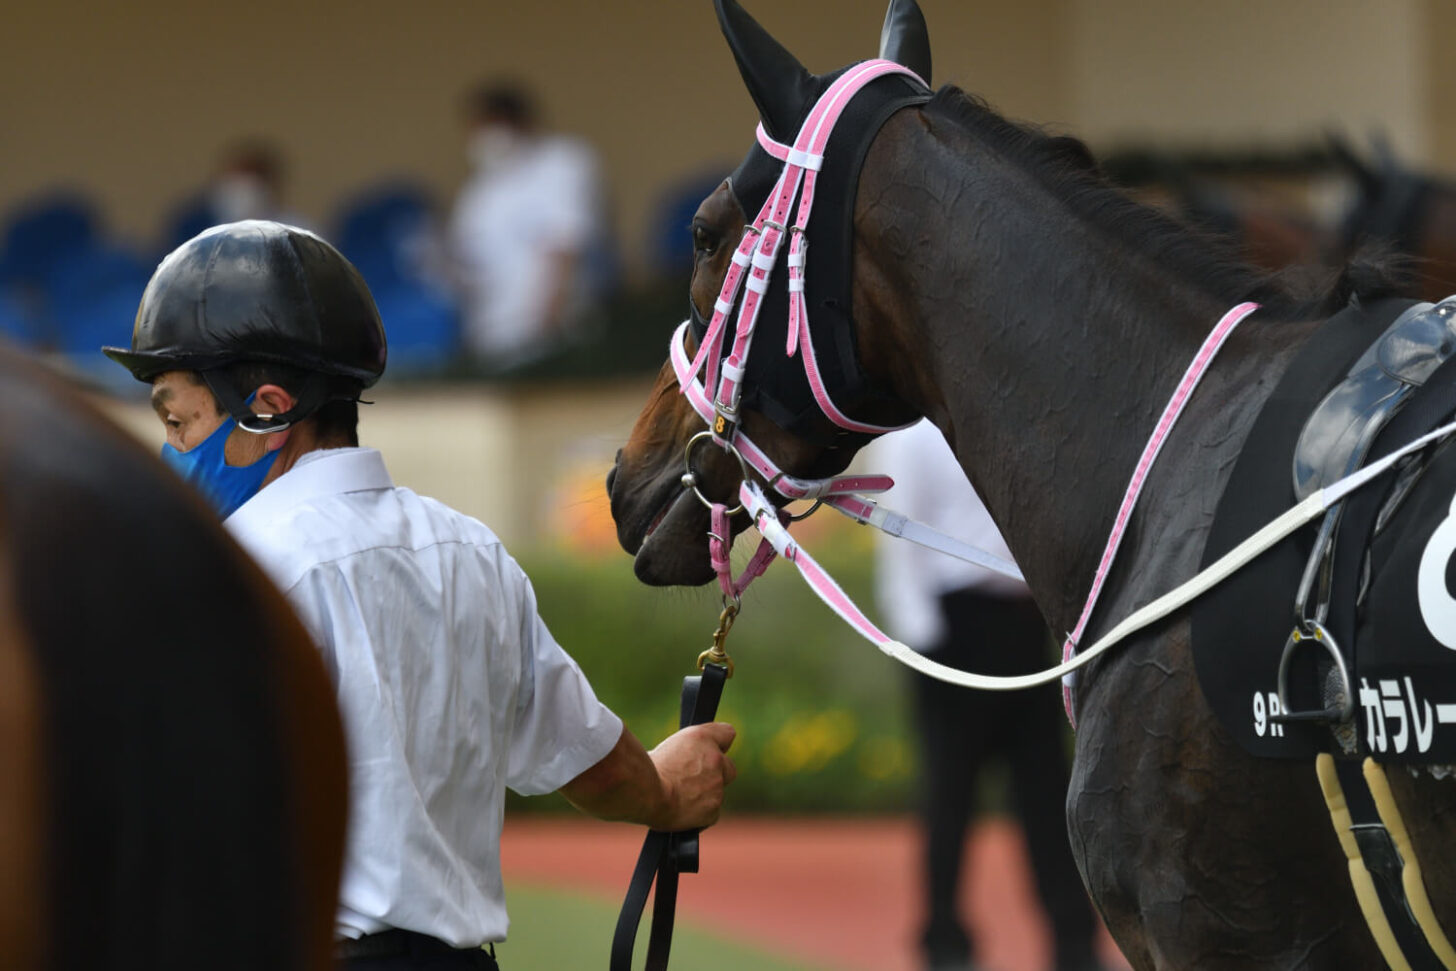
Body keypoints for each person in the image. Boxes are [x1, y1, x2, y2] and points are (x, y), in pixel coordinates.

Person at [103, 220, 736, 969]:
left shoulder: (233, 569)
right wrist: (667, 789)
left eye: (179, 421)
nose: (172, 451)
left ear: (268, 407)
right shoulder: (470, 551)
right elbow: (586, 760)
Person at [871, 419, 1102, 971]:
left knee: (1049, 797)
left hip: (1027, 625)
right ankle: (944, 945)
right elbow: (898, 539)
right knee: (950, 797)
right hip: (953, 631)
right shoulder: (914, 436)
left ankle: (1074, 946)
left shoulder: (1016, 417)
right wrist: (924, 647)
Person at [447, 80, 610, 370]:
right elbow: (464, 264)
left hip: (558, 339)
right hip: (493, 340)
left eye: (490, 124)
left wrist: (548, 331)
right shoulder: (479, 191)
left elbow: (566, 247)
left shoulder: (564, 162)